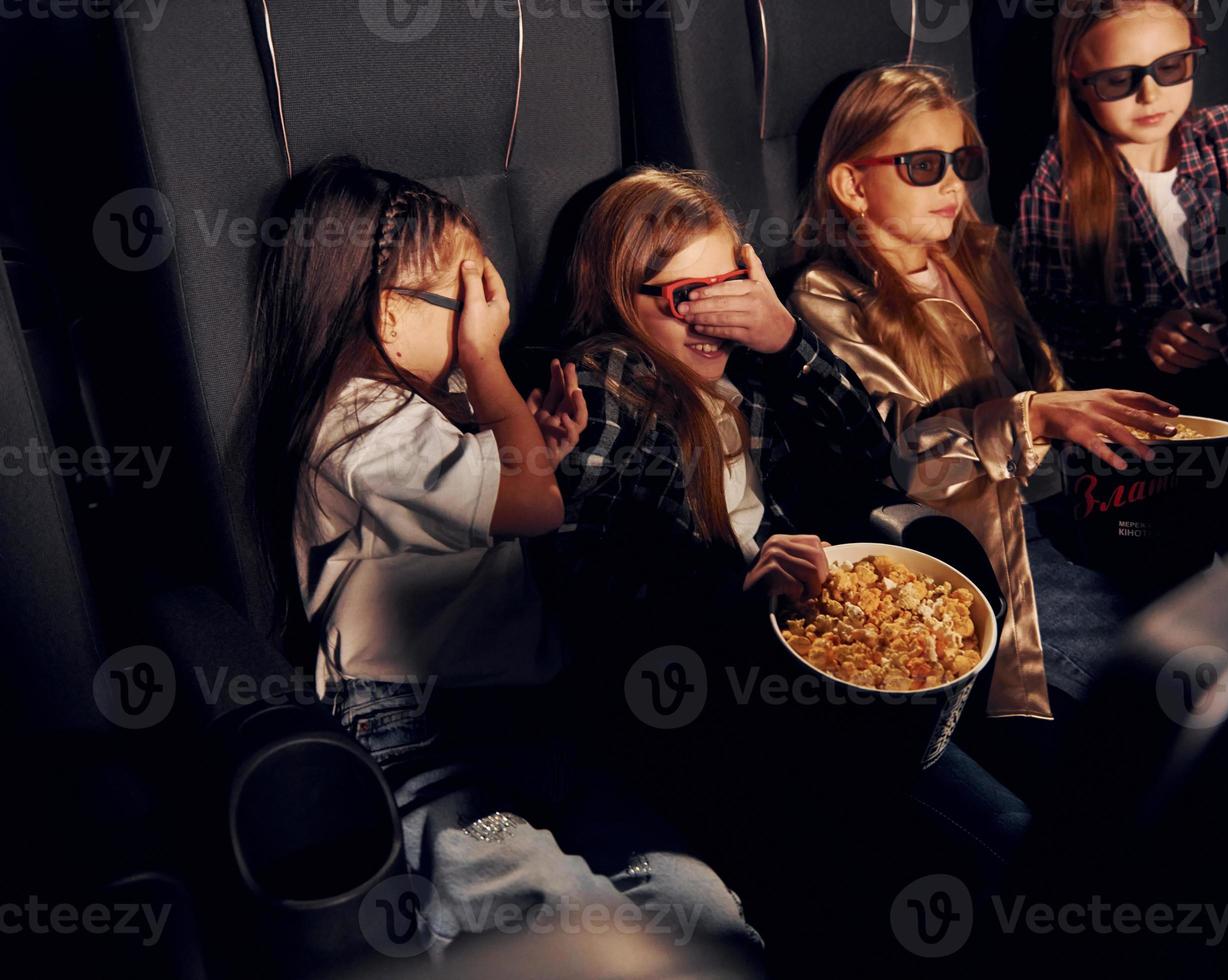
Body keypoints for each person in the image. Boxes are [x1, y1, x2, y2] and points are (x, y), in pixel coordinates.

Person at [244, 157, 760, 965]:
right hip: (421, 738)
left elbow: (497, 499)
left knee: (694, 906)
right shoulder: (357, 426)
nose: (490, 319)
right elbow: (534, 508)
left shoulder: (420, 410)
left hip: (528, 716)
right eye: (469, 299)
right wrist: (489, 368)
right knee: (541, 903)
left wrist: (536, 446)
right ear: (388, 317)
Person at [543, 165, 1032, 972]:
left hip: (827, 680)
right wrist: (733, 592)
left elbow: (871, 462)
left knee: (1016, 838)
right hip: (718, 702)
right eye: (682, 299)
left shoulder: (751, 378)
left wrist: (783, 337)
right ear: (622, 297)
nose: (714, 319)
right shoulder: (613, 375)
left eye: (729, 289)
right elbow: (580, 565)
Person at [789, 65, 1179, 749]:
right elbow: (901, 457)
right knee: (1154, 689)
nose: (953, 185)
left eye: (963, 162)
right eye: (923, 165)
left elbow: (1042, 374)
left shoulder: (972, 259)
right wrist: (1033, 417)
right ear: (851, 185)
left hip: (1067, 505)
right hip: (987, 543)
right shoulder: (830, 296)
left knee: (1221, 605)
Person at [1014, 0, 1228, 549]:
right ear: (1078, 82)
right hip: (1144, 432)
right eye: (1118, 80)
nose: (1150, 96)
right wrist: (1143, 330)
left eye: (1170, 68)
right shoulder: (1061, 175)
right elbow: (1041, 324)